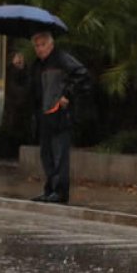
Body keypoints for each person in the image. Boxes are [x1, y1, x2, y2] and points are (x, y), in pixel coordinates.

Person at [28, 31, 91, 204]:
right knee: (46, 154)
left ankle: (60, 191)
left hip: (60, 114)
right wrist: (18, 69)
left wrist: (67, 95)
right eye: (36, 45)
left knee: (60, 154)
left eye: (42, 44)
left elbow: (82, 75)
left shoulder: (61, 59)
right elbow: (30, 89)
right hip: (43, 115)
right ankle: (50, 189)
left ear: (51, 44)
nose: (39, 49)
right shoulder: (37, 65)